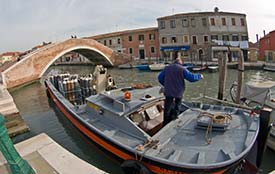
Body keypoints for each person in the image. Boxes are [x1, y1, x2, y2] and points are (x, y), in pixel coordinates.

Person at [158, 56, 203, 126]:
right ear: (180, 63)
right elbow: (191, 78)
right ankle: (175, 118)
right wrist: (199, 76)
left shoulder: (167, 68)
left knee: (167, 108)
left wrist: (165, 84)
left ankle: (165, 123)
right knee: (177, 105)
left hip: (169, 91)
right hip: (178, 91)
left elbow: (160, 78)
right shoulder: (182, 69)